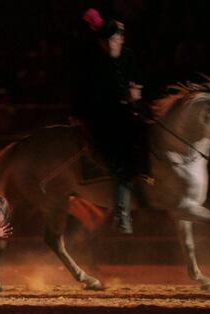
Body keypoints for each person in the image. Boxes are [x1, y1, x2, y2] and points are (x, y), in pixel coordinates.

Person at [71, 8, 145, 234]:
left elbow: (137, 82)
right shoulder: (93, 59)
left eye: (114, 39)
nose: (110, 44)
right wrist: (124, 98)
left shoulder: (129, 56)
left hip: (127, 112)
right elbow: (92, 95)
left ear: (121, 39)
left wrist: (135, 94)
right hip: (100, 115)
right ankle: (122, 213)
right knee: (120, 153)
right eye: (107, 41)